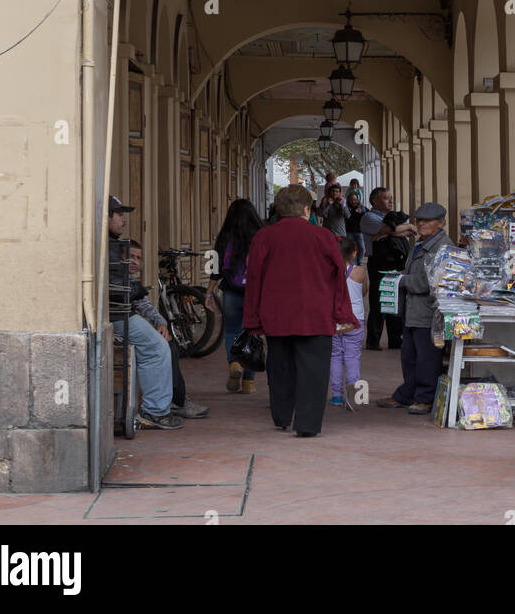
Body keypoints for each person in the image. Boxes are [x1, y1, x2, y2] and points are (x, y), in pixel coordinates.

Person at [243, 184, 359, 437]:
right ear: (307, 209)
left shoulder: (264, 236)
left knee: (280, 366)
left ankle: (282, 415)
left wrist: (252, 316)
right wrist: (342, 312)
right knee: (314, 369)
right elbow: (338, 276)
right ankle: (307, 424)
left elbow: (253, 278)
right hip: (315, 312)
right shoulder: (324, 236)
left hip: (276, 313)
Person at [107, 196, 182, 430]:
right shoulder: (109, 248)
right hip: (117, 316)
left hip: (119, 314)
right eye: (119, 215)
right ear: (105, 216)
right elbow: (118, 289)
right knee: (157, 348)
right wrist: (135, 288)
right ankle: (155, 411)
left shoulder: (113, 245)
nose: (124, 220)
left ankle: (170, 402)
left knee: (164, 345)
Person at [377, 203, 453, 415]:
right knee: (409, 355)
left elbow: (429, 282)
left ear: (441, 223)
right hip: (413, 310)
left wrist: (400, 280)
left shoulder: (442, 247)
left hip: (428, 311)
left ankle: (425, 397)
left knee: (427, 357)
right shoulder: (421, 243)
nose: (421, 224)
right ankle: (407, 393)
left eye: (427, 221)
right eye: (419, 220)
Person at [129, 242, 209, 418]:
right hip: (122, 326)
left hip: (132, 324)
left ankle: (176, 399)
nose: (134, 262)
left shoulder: (132, 280)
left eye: (138, 258)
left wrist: (162, 322)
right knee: (161, 348)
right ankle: (175, 401)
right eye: (131, 257)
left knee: (170, 346)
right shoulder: (120, 279)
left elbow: (145, 306)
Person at [205, 197, 263, 395]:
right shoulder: (260, 236)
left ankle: (234, 364)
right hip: (254, 294)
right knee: (252, 335)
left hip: (230, 290)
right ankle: (249, 383)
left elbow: (215, 268)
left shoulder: (225, 236)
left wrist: (209, 292)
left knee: (231, 332)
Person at [360, 187, 415, 351]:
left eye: (391, 197)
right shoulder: (368, 218)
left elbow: (409, 232)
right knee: (378, 302)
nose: (390, 201)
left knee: (396, 300)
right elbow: (393, 230)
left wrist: (402, 229)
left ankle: (395, 339)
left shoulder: (394, 217)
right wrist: (404, 227)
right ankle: (373, 340)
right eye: (386, 198)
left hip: (396, 263)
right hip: (378, 263)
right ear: (375, 201)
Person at [329, 236, 367, 406]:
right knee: (352, 357)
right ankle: (353, 396)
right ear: (354, 253)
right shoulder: (359, 271)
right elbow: (364, 291)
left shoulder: (328, 272)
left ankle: (336, 395)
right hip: (355, 319)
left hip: (335, 319)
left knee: (335, 357)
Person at [346, 191, 365, 265]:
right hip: (349, 231)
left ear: (357, 199)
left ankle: (359, 261)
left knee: (362, 248)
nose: (353, 201)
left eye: (354, 199)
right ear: (348, 200)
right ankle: (353, 263)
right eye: (351, 199)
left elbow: (367, 216)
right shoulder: (346, 207)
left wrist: (362, 213)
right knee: (351, 249)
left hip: (359, 231)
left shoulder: (361, 207)